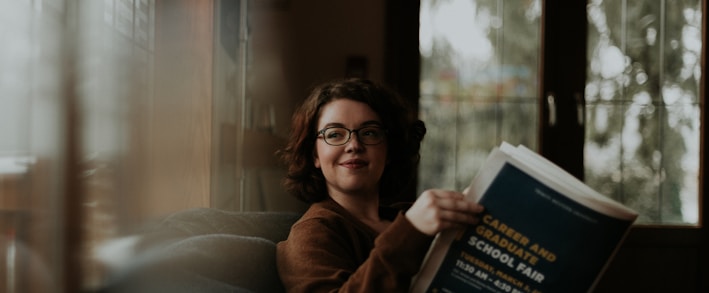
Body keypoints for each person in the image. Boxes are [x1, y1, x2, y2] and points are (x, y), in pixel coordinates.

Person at [276, 78, 484, 292]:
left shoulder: (410, 215)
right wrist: (411, 231)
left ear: (390, 151)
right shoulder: (312, 233)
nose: (354, 145)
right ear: (314, 155)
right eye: (335, 134)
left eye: (369, 132)